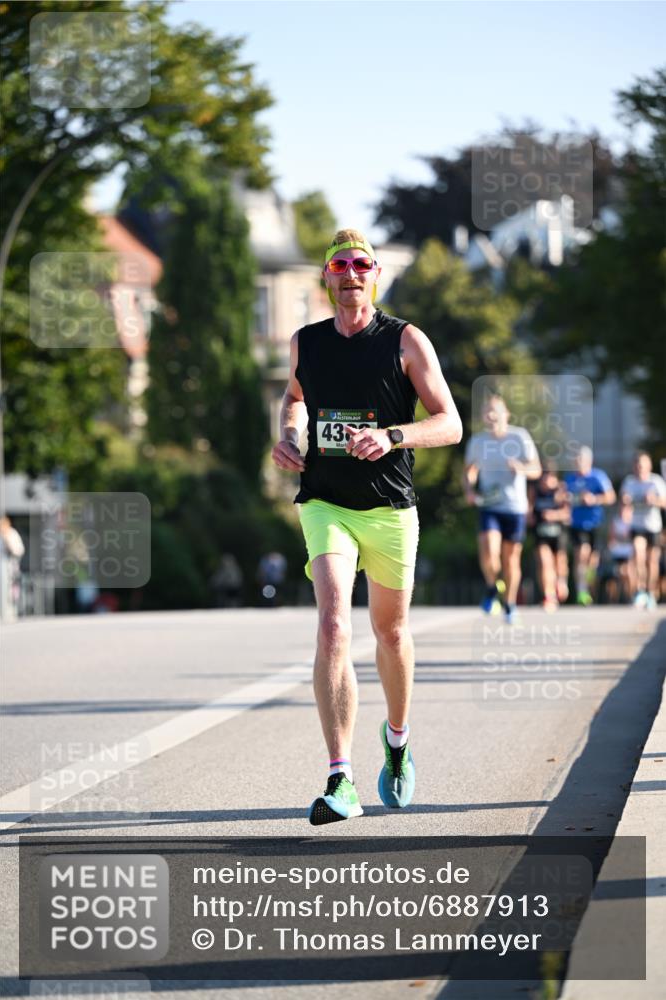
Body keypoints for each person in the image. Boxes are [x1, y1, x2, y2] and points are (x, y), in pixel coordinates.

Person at [271, 228, 462, 825]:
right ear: (325, 278)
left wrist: (393, 436)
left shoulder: (405, 341)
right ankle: (340, 778)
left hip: (389, 507)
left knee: (392, 633)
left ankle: (398, 742)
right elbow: (294, 398)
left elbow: (451, 423)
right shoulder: (307, 342)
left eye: (361, 264)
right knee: (332, 624)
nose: (350, 273)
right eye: (339, 265)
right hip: (325, 501)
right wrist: (290, 435)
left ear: (374, 274)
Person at [463, 394, 541, 624]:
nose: (490, 415)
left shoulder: (519, 437)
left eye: (495, 411)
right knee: (488, 549)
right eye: (486, 412)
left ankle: (509, 603)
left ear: (506, 415)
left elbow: (536, 469)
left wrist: (521, 469)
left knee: (511, 561)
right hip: (490, 505)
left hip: (515, 507)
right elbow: (469, 470)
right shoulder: (477, 442)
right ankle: (491, 586)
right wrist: (469, 489)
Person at [564, 446, 615, 606]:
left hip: (596, 523)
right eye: (576, 459)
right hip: (577, 524)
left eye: (581, 459)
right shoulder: (569, 479)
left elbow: (611, 497)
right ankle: (581, 590)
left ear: (589, 461)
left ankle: (588, 587)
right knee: (581, 554)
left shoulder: (598, 476)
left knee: (592, 562)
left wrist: (594, 499)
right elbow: (562, 497)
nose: (578, 463)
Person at [620, 452, 666, 609]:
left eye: (643, 465)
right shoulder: (629, 482)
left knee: (652, 561)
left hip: (653, 526)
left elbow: (665, 502)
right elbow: (624, 505)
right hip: (636, 526)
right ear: (634, 467)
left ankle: (651, 592)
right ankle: (640, 590)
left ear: (649, 466)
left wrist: (654, 500)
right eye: (638, 465)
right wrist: (625, 504)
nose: (640, 468)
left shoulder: (656, 481)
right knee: (639, 556)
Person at [528, 463, 570, 611]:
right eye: (543, 477)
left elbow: (567, 515)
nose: (546, 481)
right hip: (541, 534)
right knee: (545, 563)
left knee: (559, 564)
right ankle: (548, 595)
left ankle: (561, 581)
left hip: (558, 534)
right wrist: (530, 517)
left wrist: (553, 515)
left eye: (549, 477)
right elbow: (529, 511)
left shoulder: (560, 491)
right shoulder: (535, 491)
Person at [603, 499, 636, 604]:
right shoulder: (615, 521)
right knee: (615, 574)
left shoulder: (634, 522)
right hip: (617, 553)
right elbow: (611, 538)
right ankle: (613, 599)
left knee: (628, 572)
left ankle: (631, 595)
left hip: (629, 552)